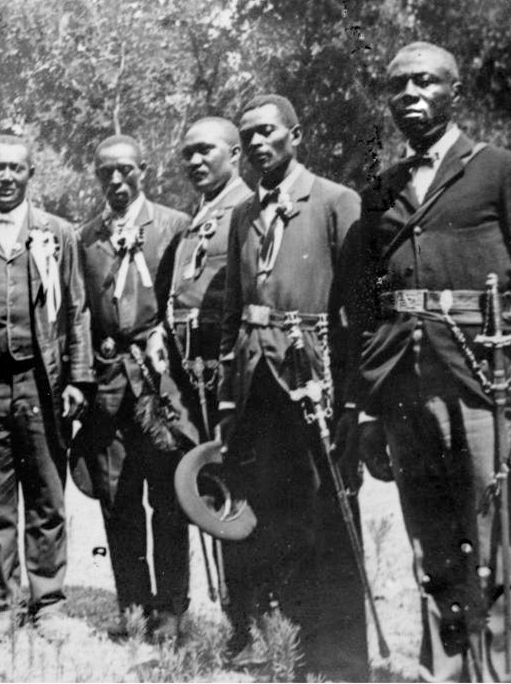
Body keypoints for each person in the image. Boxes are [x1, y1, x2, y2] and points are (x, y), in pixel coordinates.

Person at [344, 42, 511, 681]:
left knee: (497, 538)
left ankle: (500, 674)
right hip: (403, 389)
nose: (410, 95)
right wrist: (367, 411)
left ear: (455, 92)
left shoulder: (503, 171)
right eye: (397, 86)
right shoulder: (378, 194)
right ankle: (446, 671)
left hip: (486, 384)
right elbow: (362, 313)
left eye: (424, 82)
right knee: (433, 545)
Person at [217, 94, 368, 679]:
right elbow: (234, 310)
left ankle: (340, 656)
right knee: (272, 513)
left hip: (315, 379)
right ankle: (286, 640)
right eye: (248, 135)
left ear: (296, 135)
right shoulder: (243, 213)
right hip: (257, 383)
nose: (257, 144)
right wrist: (230, 394)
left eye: (268, 133)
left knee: (328, 514)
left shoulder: (334, 200)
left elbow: (361, 308)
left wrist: (351, 392)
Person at [0, 134, 94, 643]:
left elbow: (76, 309)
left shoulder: (58, 233)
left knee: (47, 497)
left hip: (42, 383)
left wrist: (78, 378)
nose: (6, 177)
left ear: (31, 173)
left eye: (15, 168)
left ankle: (49, 603)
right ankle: (2, 606)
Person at [74, 134, 191, 640]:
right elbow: (79, 314)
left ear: (145, 168)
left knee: (167, 499)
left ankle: (170, 610)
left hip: (158, 385)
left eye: (126, 170)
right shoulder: (86, 237)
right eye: (106, 173)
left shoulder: (173, 226)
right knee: (118, 500)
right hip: (107, 388)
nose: (117, 182)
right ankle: (133, 606)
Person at [159, 118, 253, 439]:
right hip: (188, 363)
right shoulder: (194, 217)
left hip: (225, 364)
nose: (195, 161)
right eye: (187, 154)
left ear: (235, 152)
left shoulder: (248, 209)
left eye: (205, 150)